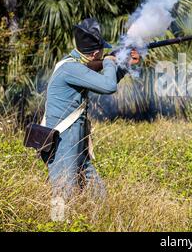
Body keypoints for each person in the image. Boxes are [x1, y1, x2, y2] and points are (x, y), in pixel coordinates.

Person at [44, 18, 140, 220]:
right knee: (63, 191)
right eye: (102, 53)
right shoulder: (72, 68)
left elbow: (106, 80)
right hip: (63, 139)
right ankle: (57, 225)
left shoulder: (77, 65)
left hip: (75, 139)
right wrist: (108, 62)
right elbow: (108, 86)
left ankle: (103, 222)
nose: (103, 55)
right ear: (96, 53)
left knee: (98, 193)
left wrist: (124, 65)